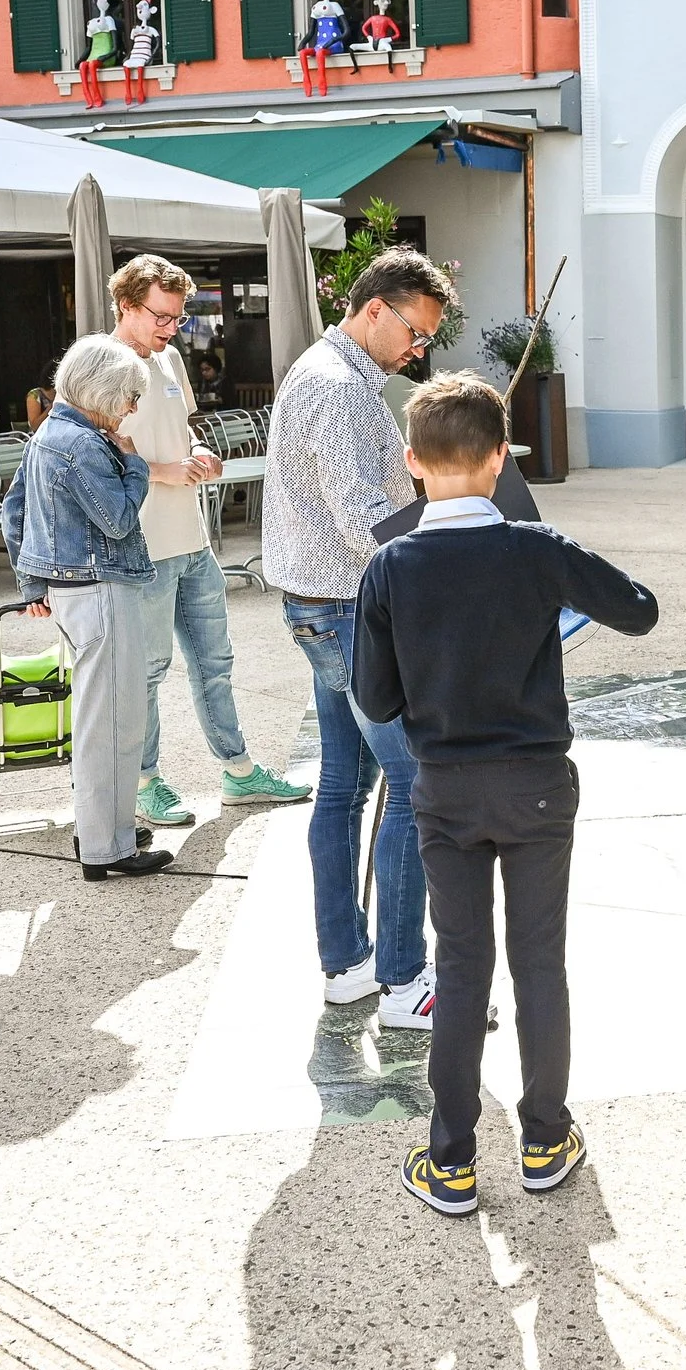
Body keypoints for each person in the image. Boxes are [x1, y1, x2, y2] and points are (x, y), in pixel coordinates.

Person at [355, 374, 659, 1215]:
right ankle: (545, 1138)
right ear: (500, 459)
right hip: (535, 788)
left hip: (446, 790)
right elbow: (639, 610)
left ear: (413, 462)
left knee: (461, 966)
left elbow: (375, 697)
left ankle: (451, 1158)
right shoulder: (536, 548)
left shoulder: (389, 566)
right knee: (539, 962)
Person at [263, 248, 450, 1018]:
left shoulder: (329, 372)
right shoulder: (338, 387)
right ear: (375, 309)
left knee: (346, 784)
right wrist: (443, 562)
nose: (419, 350)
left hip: (327, 603)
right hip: (346, 608)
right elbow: (361, 518)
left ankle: (347, 963)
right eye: (414, 332)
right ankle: (404, 980)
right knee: (414, 781)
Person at [107, 254, 310, 829]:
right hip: (140, 547)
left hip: (192, 542)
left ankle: (239, 772)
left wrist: (197, 453)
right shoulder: (100, 364)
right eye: (161, 316)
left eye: (178, 316)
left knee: (214, 663)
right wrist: (163, 471)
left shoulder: (169, 357)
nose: (172, 328)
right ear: (125, 306)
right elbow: (92, 456)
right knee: (147, 672)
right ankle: (144, 783)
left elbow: (181, 428)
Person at [4, 335, 177, 882]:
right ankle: (107, 845)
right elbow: (119, 520)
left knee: (102, 717)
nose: (132, 408)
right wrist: (136, 465)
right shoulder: (81, 443)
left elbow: (14, 511)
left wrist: (33, 586)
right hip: (100, 589)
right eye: (130, 396)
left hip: (75, 591)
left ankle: (104, 829)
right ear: (102, 391)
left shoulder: (48, 434)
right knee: (113, 722)